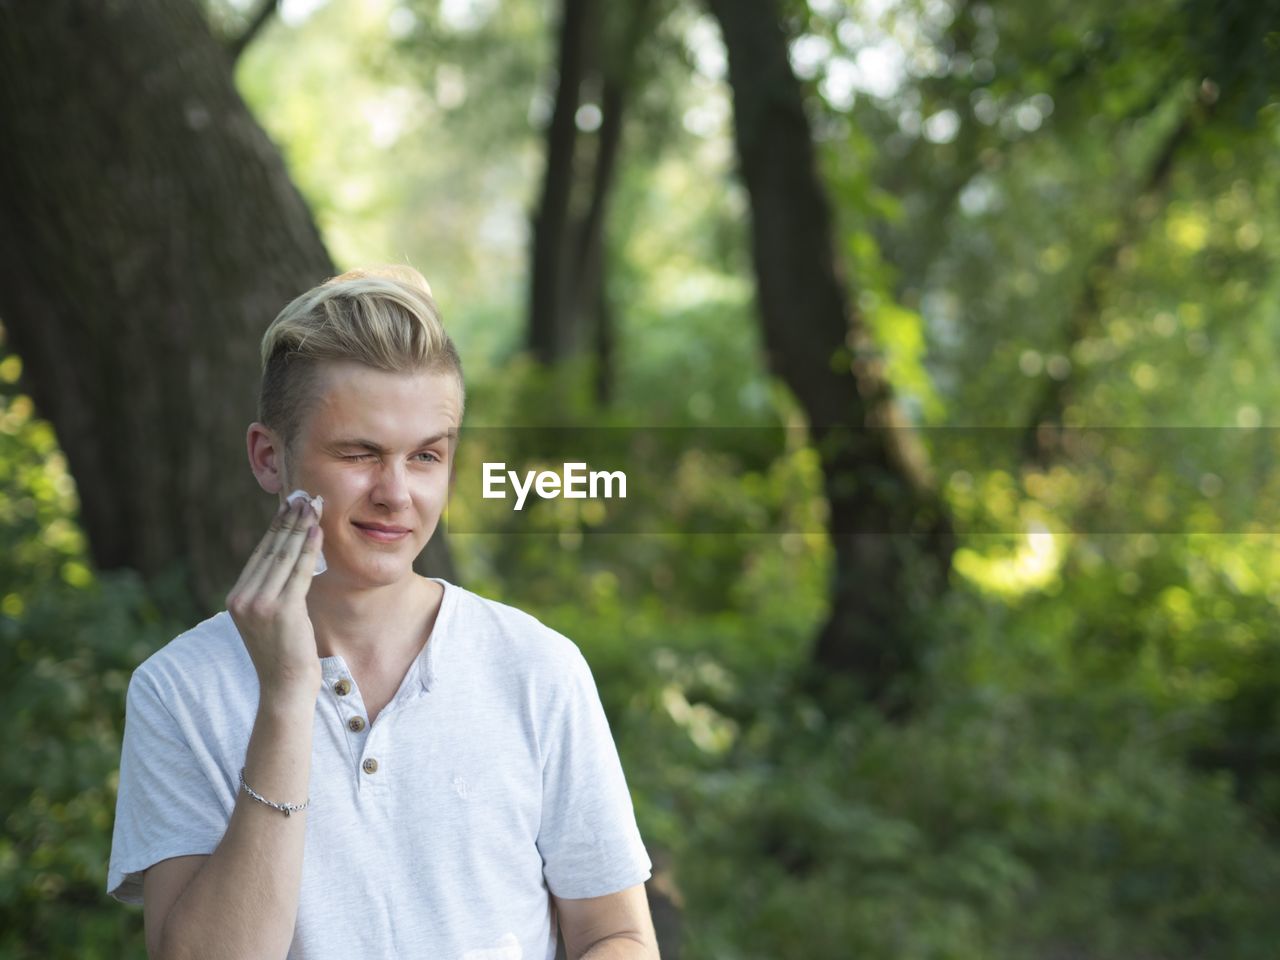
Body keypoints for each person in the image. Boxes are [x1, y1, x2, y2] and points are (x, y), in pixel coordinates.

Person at [105, 267, 658, 959]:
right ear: (269, 458)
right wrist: (284, 699)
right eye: (360, 453)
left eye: (425, 456)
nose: (396, 493)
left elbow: (617, 933)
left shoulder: (537, 667)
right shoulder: (179, 691)